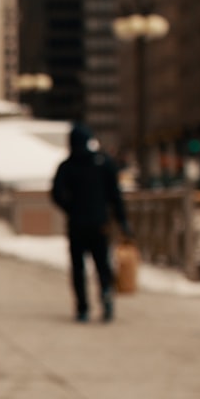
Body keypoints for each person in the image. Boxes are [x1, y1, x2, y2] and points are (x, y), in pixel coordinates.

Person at [51, 123, 133, 323]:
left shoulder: (68, 165)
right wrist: (122, 221)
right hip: (99, 223)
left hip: (77, 224)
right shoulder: (103, 163)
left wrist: (71, 208)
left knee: (78, 267)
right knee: (101, 264)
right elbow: (115, 196)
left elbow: (56, 193)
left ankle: (82, 308)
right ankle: (105, 294)